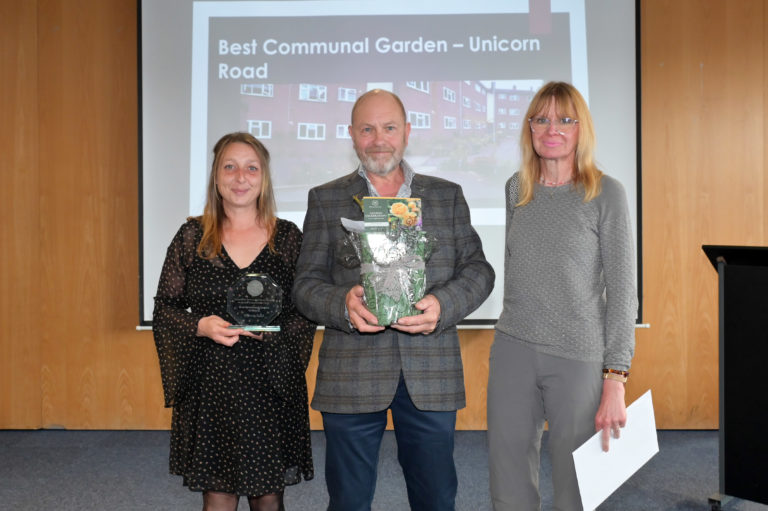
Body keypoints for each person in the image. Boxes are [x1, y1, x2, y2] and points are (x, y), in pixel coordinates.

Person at [292, 89, 495, 511]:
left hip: (430, 371)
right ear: (351, 134)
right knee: (348, 501)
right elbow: (305, 285)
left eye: (388, 128)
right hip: (351, 371)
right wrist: (341, 303)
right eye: (367, 129)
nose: (378, 139)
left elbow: (479, 271)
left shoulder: (446, 195)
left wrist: (443, 305)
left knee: (436, 499)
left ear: (407, 133)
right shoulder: (325, 199)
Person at [487, 81, 638, 511]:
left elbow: (624, 292)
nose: (552, 128)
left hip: (578, 355)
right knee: (508, 476)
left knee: (576, 487)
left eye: (565, 119)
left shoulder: (605, 193)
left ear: (581, 129)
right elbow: (517, 269)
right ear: (529, 128)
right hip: (513, 348)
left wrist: (615, 379)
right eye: (542, 118)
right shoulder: (517, 189)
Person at [153, 132, 316, 511]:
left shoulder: (289, 238)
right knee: (218, 497)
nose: (240, 176)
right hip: (212, 386)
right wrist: (200, 326)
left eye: (251, 167)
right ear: (215, 176)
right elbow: (165, 308)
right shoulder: (192, 236)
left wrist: (273, 333)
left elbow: (306, 312)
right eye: (230, 166)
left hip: (269, 383)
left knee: (269, 499)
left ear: (264, 178)